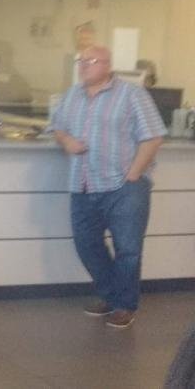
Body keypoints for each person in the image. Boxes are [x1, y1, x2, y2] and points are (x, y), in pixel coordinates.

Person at [50, 44, 166, 329]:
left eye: (91, 61)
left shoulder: (132, 94)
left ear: (107, 64)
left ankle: (124, 305)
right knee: (86, 244)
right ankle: (112, 295)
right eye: (81, 61)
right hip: (83, 184)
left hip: (123, 186)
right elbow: (57, 127)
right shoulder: (72, 95)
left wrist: (134, 175)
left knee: (128, 249)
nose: (84, 65)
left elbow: (153, 137)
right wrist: (66, 142)